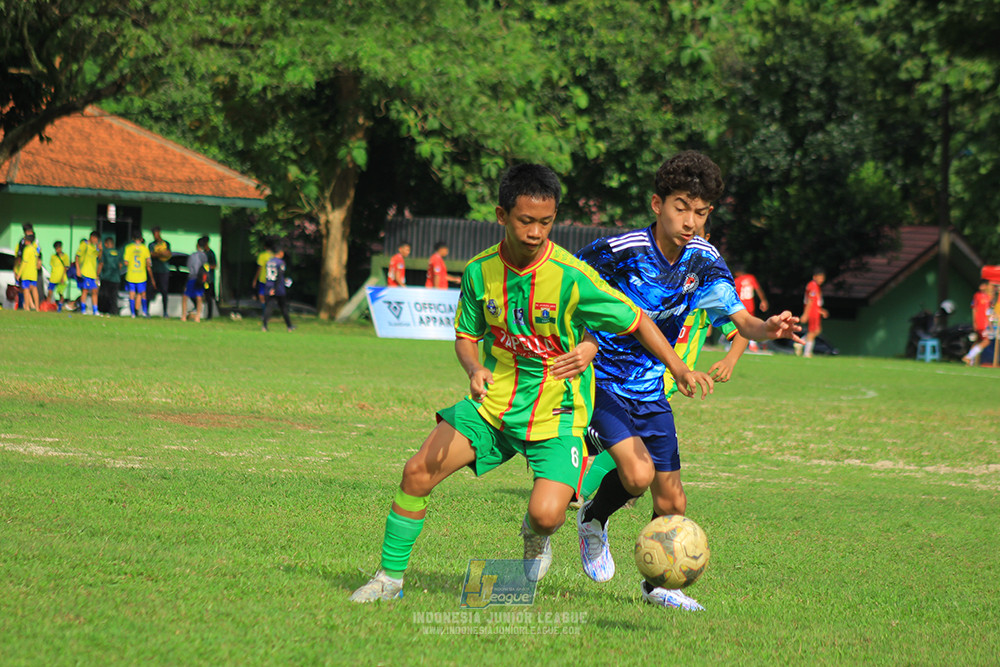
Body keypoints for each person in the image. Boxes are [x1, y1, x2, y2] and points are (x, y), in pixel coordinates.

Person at [349, 163, 714, 603]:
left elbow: (635, 319)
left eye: (546, 222)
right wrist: (473, 368)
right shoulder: (480, 272)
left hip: (556, 414)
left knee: (545, 515)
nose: (536, 232)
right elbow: (466, 336)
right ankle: (389, 580)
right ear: (502, 215)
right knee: (416, 472)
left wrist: (677, 367)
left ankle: (535, 534)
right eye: (526, 221)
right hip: (493, 404)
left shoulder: (571, 275)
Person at [574, 150, 800, 611]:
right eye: (681, 207)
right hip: (601, 382)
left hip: (648, 389)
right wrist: (579, 345)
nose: (690, 220)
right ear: (658, 204)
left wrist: (767, 328)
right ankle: (593, 520)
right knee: (636, 476)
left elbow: (740, 319)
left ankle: (660, 586)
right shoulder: (619, 253)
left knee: (672, 499)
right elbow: (563, 290)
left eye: (700, 211)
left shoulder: (704, 260)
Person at [733, 265, 769, 352]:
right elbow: (758, 289)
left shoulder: (737, 281)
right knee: (751, 324)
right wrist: (763, 300)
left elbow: (734, 295)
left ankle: (735, 344)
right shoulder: (750, 278)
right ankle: (753, 345)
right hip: (750, 306)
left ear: (737, 273)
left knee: (738, 324)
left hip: (740, 306)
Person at [123, 230, 156, 318]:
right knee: (142, 294)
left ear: (133, 238)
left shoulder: (128, 248)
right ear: (141, 239)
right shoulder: (145, 249)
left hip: (131, 275)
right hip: (141, 275)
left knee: (132, 294)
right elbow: (148, 262)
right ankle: (144, 312)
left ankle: (133, 313)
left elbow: (126, 262)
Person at [963, 280, 996, 366]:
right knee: (986, 342)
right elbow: (974, 309)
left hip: (984, 323)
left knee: (978, 341)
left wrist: (990, 325)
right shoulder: (978, 296)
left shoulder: (988, 298)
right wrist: (975, 322)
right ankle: (968, 357)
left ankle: (970, 361)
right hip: (981, 323)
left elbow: (988, 312)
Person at [261, 246, 294, 332]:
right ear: (280, 253)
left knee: (269, 306)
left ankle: (264, 326)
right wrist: (275, 288)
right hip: (278, 287)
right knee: (283, 307)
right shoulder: (280, 262)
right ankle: (289, 326)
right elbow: (279, 276)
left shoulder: (269, 262)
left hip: (268, 285)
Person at [798, 269, 828, 358]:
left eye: (823, 278)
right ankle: (807, 353)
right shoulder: (813, 286)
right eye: (820, 277)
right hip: (812, 312)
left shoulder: (816, 286)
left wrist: (820, 310)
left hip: (815, 311)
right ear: (814, 277)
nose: (821, 280)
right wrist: (806, 314)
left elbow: (815, 301)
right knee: (812, 331)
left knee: (817, 330)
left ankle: (800, 343)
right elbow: (810, 301)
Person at [181, 237, 209, 323]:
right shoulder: (204, 256)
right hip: (200, 278)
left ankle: (183, 316)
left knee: (185, 296)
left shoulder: (192, 255)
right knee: (199, 296)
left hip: (192, 277)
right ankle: (198, 317)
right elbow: (206, 267)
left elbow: (188, 266)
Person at [14, 228, 42, 311]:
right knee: (34, 289)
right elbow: (38, 258)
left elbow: (24, 262)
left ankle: (27, 306)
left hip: (26, 273)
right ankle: (37, 308)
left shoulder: (26, 249)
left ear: (28, 241)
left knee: (26, 289)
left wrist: (19, 274)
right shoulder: (35, 249)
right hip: (33, 273)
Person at [75, 231, 101, 315]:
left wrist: (101, 250)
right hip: (85, 272)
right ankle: (83, 309)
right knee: (85, 291)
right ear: (92, 237)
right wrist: (78, 269)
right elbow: (77, 256)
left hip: (93, 274)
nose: (97, 241)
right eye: (96, 239)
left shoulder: (94, 247)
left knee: (95, 291)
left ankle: (95, 310)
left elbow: (99, 257)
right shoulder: (84, 245)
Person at [149, 227, 172, 317]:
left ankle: (165, 312)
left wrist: (158, 254)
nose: (155, 236)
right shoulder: (151, 245)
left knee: (164, 291)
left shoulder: (166, 243)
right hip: (154, 270)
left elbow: (168, 253)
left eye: (156, 233)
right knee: (150, 290)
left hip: (164, 271)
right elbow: (151, 254)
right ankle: (146, 311)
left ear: (159, 233)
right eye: (153, 234)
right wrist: (161, 254)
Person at [97, 237, 123, 315]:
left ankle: (103, 310)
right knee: (114, 296)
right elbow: (120, 265)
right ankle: (113, 311)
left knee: (104, 295)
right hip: (116, 278)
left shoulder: (105, 252)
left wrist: (97, 274)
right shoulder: (118, 252)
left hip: (106, 277)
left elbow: (101, 263)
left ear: (106, 244)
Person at [47, 241, 71, 311]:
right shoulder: (53, 257)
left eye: (58, 248)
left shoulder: (65, 256)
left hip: (62, 278)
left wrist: (63, 277)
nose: (58, 250)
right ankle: (47, 306)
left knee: (60, 293)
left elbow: (66, 268)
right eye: (56, 248)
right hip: (54, 278)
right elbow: (52, 266)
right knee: (50, 292)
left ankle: (59, 307)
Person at [252, 240, 275, 304]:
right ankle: (268, 306)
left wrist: (255, 279)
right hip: (272, 278)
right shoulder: (274, 256)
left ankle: (264, 307)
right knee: (270, 294)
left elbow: (259, 268)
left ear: (265, 247)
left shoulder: (262, 255)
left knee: (261, 293)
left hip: (263, 278)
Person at [203, 241, 218, 320]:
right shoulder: (203, 253)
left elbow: (214, 265)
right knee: (204, 296)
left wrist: (207, 267)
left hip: (209, 279)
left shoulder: (211, 253)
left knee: (209, 297)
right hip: (203, 278)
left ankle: (210, 315)